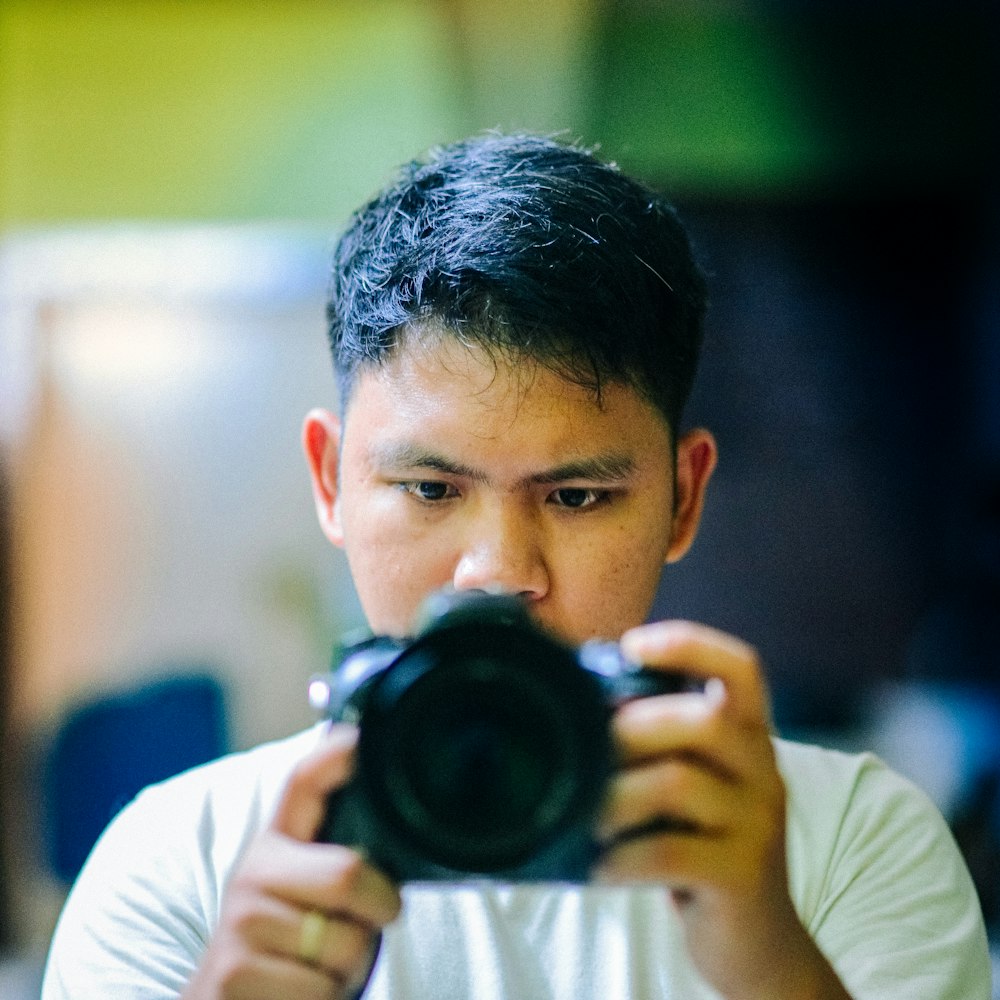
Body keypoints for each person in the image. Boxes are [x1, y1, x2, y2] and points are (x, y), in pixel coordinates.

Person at [42, 133, 990, 1000]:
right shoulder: (181, 867)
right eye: (428, 488)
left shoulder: (847, 846)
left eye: (576, 497)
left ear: (684, 499)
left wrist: (767, 959)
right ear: (331, 482)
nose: (496, 572)